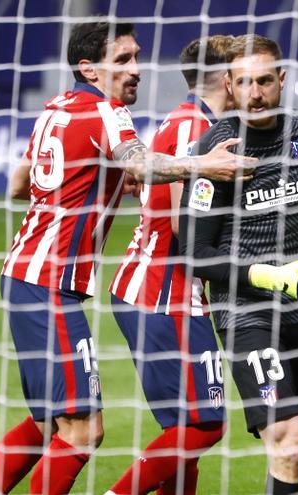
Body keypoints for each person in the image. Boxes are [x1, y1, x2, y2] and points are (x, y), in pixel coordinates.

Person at [0, 21, 253, 495]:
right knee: (84, 431)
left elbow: (22, 185)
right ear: (89, 69)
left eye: (136, 57)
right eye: (122, 60)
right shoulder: (109, 113)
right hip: (50, 281)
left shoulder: (56, 108)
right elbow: (141, 162)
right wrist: (203, 165)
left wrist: (97, 188)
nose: (136, 70)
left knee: (49, 421)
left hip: (25, 273)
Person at [178, 34, 298, 494]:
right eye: (244, 83)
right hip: (247, 315)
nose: (255, 94)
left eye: (265, 81)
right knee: (289, 441)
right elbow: (194, 253)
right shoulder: (218, 150)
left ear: (283, 81)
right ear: (229, 84)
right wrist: (267, 276)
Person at [105, 34, 235, 495]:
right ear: (227, 78)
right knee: (205, 424)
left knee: (184, 428)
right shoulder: (190, 127)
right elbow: (186, 225)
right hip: (161, 293)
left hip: (167, 292)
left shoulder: (200, 122)